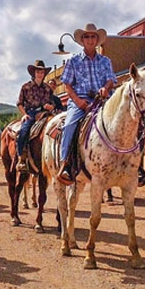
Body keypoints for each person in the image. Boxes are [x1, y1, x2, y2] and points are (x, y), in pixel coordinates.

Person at [57, 23, 116, 185]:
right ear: (82, 40)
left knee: (124, 119)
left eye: (93, 36)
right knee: (69, 125)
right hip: (80, 100)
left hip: (102, 100)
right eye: (87, 37)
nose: (90, 39)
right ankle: (66, 164)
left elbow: (111, 79)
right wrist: (78, 101)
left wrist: (106, 88)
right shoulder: (73, 61)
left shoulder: (105, 61)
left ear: (97, 40)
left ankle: (132, 164)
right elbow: (67, 85)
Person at [16, 60, 56, 173]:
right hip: (31, 112)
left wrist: (51, 107)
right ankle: (22, 158)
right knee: (24, 130)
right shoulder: (26, 87)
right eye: (38, 72)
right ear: (34, 73)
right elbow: (19, 103)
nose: (40, 74)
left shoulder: (48, 89)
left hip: (45, 113)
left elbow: (53, 103)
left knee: (58, 127)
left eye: (42, 72)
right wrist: (24, 115)